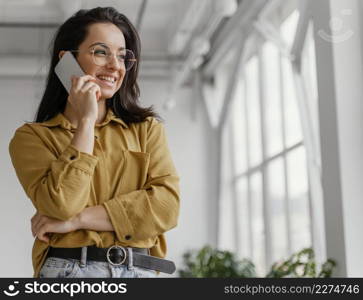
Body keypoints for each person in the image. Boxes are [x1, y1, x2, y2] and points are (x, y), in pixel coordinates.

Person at [8, 7, 180, 278]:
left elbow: (167, 208)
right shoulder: (33, 138)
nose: (115, 65)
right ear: (67, 61)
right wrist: (86, 121)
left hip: (142, 272)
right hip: (69, 271)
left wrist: (78, 220)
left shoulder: (147, 130)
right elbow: (61, 205)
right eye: (101, 52)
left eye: (122, 56)